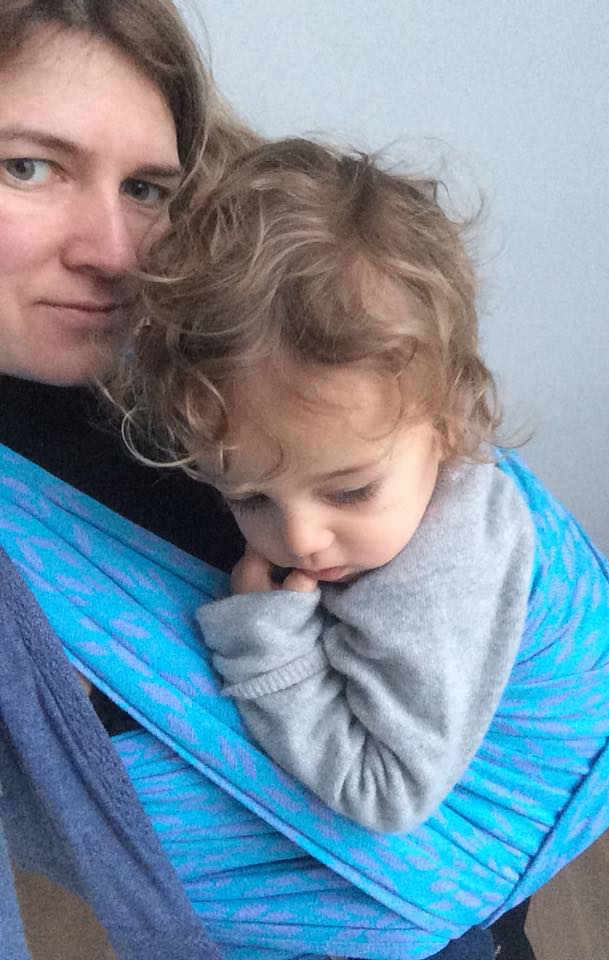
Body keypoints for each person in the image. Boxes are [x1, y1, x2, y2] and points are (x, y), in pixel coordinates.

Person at [0, 2, 538, 958]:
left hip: (463, 875)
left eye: (147, 187)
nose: (116, 256)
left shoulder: (237, 329)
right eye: (27, 167)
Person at [117, 137, 535, 834]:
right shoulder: (385, 452)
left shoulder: (438, 583)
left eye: (350, 492)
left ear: (449, 425)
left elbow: (387, 794)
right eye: (249, 497)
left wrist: (267, 646)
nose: (300, 539)